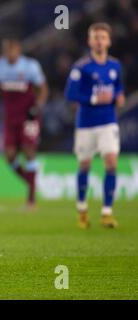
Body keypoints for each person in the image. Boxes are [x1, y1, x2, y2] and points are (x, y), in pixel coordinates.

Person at [65, 22, 125, 229]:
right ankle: (82, 209)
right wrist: (93, 99)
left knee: (111, 162)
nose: (99, 41)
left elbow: (118, 88)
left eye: (102, 37)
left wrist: (119, 97)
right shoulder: (81, 67)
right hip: (86, 124)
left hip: (108, 121)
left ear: (108, 41)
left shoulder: (115, 66)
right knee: (85, 165)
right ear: (90, 41)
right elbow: (70, 94)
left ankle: (107, 213)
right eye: (95, 37)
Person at [0, 38, 48, 209]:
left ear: (18, 50)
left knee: (29, 152)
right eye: (6, 50)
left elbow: (43, 89)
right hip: (10, 117)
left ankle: (31, 199)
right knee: (10, 156)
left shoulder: (30, 66)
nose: (8, 53)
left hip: (28, 116)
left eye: (11, 50)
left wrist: (37, 107)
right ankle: (31, 183)